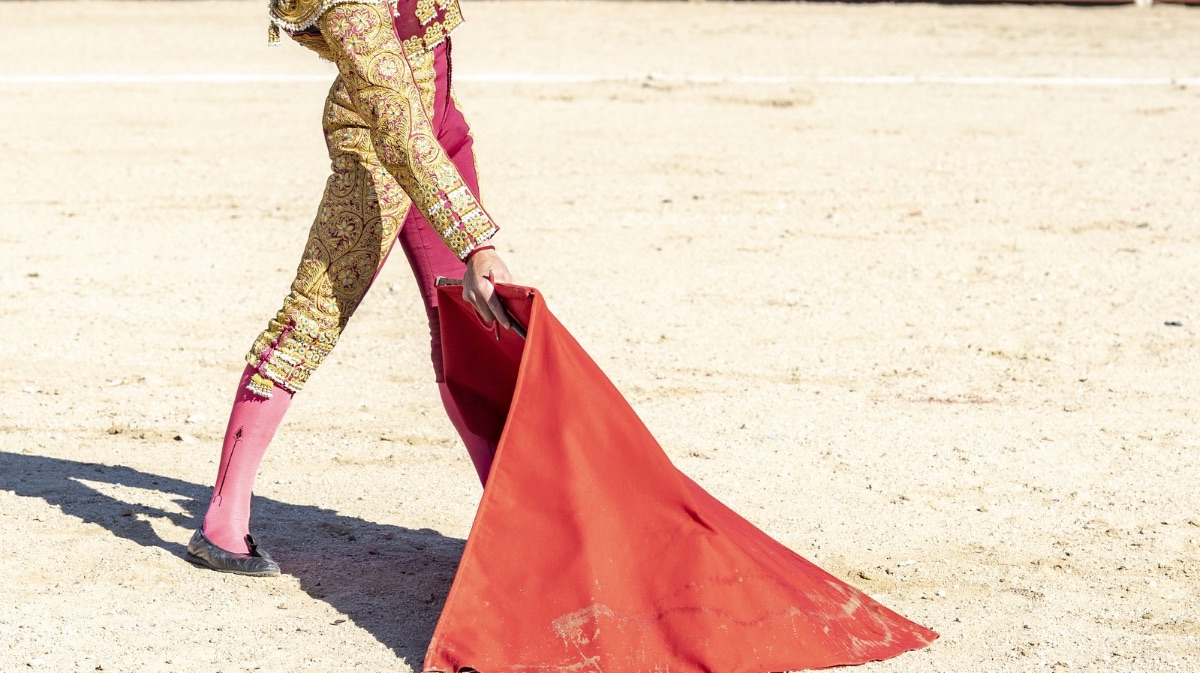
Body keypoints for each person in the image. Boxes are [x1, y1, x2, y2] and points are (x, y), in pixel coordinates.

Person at [185, 0, 512, 576]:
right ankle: (222, 518)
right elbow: (393, 123)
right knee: (312, 317)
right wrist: (476, 242)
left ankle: (509, 513)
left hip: (438, 128)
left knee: (463, 322)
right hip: (376, 151)